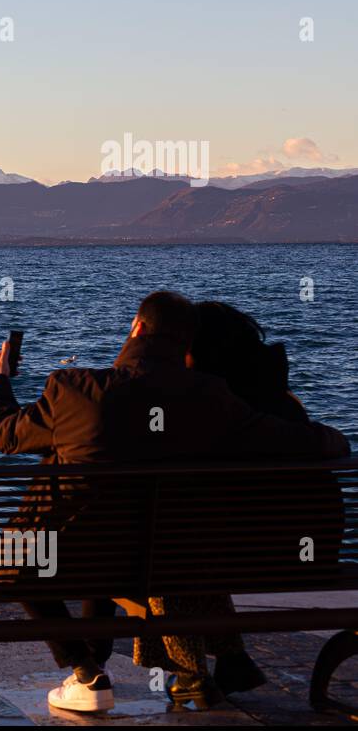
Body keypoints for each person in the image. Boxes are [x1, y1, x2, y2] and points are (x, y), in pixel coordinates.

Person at [0, 291, 350, 713]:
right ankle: (148, 667)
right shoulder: (214, 398)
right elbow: (303, 441)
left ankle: (87, 671)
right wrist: (333, 439)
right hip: (169, 558)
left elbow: (5, 435)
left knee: (1, 551)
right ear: (186, 345)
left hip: (93, 558)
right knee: (123, 535)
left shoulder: (75, 389)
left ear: (137, 328)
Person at [134, 301, 344, 705]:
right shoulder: (280, 402)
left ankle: (191, 672)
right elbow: (327, 442)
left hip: (233, 558)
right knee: (189, 547)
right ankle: (231, 659)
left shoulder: (210, 405)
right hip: (310, 558)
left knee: (164, 556)